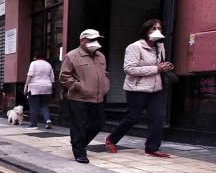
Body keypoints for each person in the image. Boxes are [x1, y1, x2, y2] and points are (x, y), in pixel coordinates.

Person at [105, 19, 174, 158]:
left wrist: (166, 66)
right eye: (153, 28)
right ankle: (111, 139)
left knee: (158, 117)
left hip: (156, 88)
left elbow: (159, 66)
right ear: (146, 30)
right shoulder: (135, 47)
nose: (157, 31)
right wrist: (156, 68)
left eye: (159, 28)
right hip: (137, 88)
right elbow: (129, 69)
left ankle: (152, 148)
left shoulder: (160, 46)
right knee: (133, 117)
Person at [60, 29, 110, 164]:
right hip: (78, 97)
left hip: (98, 96)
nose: (95, 42)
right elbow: (64, 76)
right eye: (92, 40)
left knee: (99, 123)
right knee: (79, 126)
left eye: (97, 39)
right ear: (83, 41)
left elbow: (104, 73)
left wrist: (106, 85)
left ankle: (79, 142)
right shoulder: (72, 56)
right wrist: (78, 86)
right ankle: (79, 152)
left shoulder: (101, 56)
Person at [24, 52, 55, 129]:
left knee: (33, 105)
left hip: (35, 87)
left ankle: (33, 124)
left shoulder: (33, 63)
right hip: (47, 86)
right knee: (44, 105)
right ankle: (48, 120)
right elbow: (52, 79)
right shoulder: (48, 65)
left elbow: (30, 75)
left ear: (35, 57)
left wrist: (26, 85)